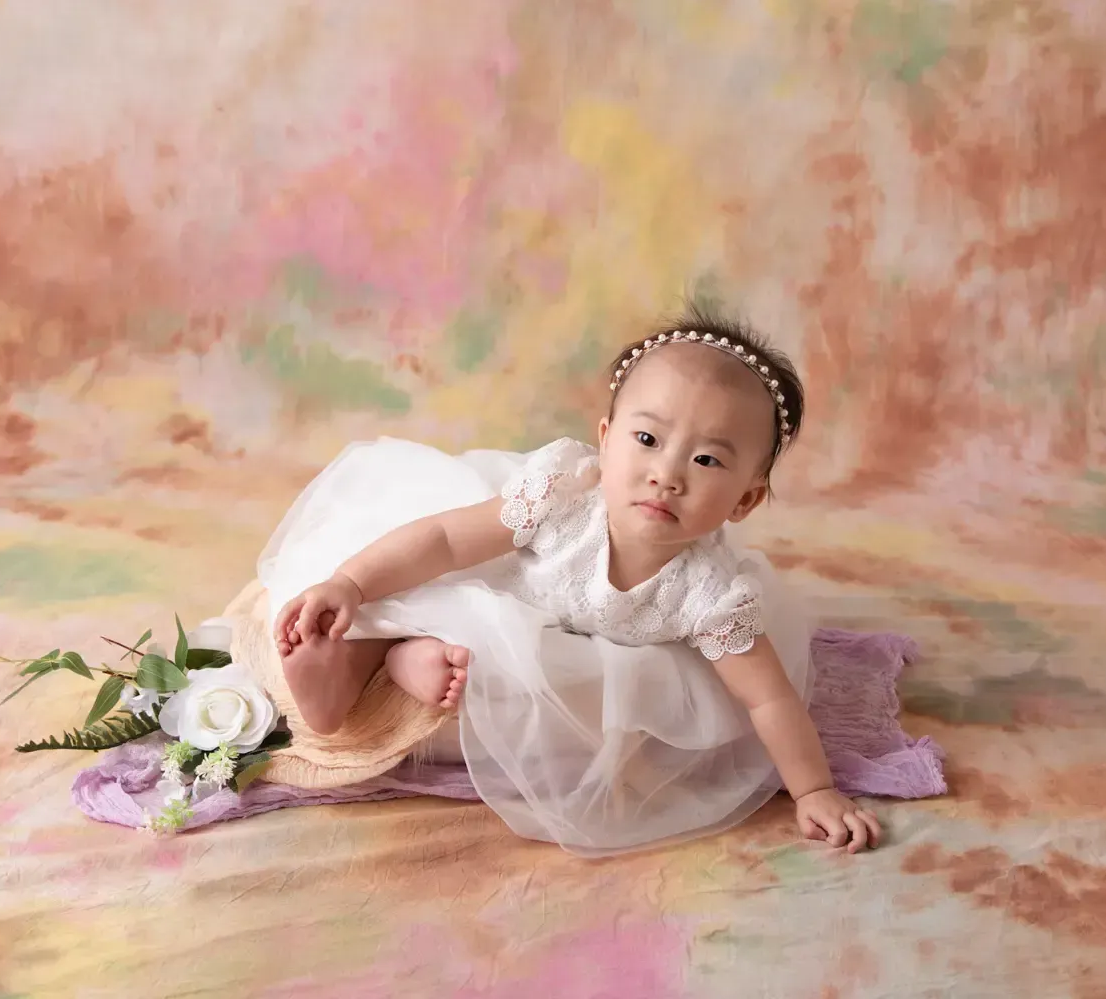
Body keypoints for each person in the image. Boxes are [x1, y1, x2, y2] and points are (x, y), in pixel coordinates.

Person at [257, 302, 881, 857]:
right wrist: (350, 583)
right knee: (420, 591)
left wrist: (815, 789)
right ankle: (359, 658)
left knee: (575, 711)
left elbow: (766, 698)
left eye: (706, 459)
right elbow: (443, 539)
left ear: (744, 500)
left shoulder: (710, 595)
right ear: (605, 442)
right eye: (647, 439)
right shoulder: (561, 497)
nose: (667, 475)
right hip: (501, 594)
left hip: (567, 654)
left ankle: (410, 664)